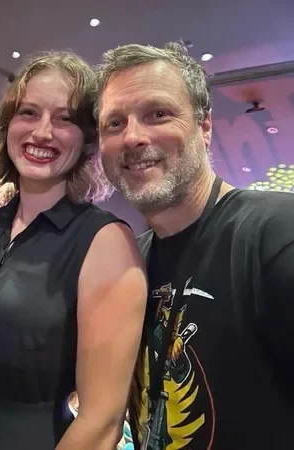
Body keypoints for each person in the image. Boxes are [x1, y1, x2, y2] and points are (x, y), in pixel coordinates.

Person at [0, 52, 148, 450]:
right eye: (28, 113)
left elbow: (101, 424)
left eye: (64, 119)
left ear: (87, 139)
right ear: (8, 125)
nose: (42, 132)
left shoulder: (104, 241)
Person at [94, 42, 294, 450]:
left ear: (204, 127)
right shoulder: (130, 261)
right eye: (114, 123)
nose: (132, 137)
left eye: (158, 114)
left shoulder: (277, 234)